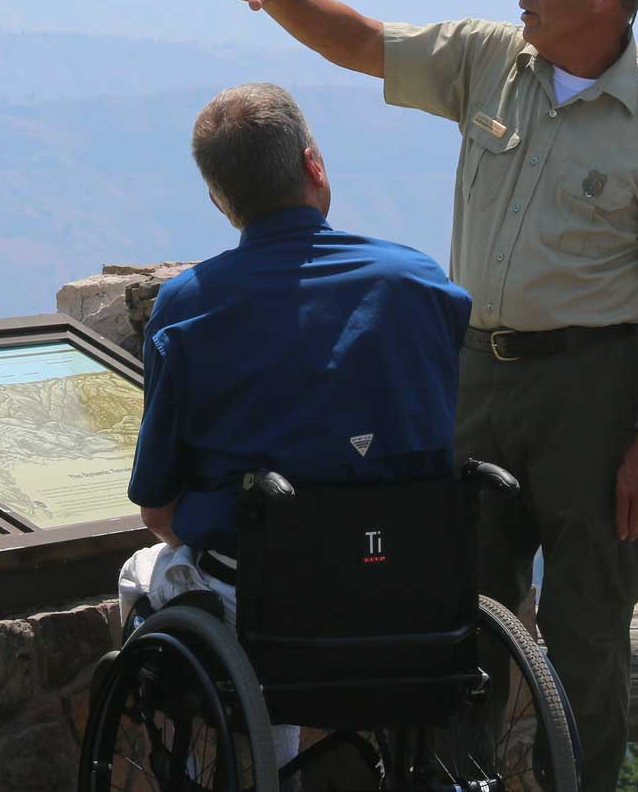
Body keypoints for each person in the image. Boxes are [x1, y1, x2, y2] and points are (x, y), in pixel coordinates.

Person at [180, 0, 638, 792]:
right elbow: (364, 44)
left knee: (588, 634)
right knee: (450, 615)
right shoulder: (488, 59)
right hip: (474, 376)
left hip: (593, 393)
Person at [122, 81, 471, 617]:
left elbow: (158, 511)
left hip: (263, 591)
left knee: (138, 575)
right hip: (409, 576)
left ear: (219, 199)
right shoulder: (419, 283)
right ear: (314, 167)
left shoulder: (187, 308)